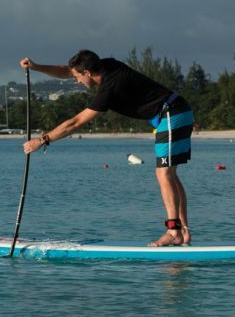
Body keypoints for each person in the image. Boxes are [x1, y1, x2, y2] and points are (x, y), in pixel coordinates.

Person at [20, 50, 194, 246]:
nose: (76, 81)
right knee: (170, 174)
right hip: (176, 112)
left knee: (164, 174)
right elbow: (65, 71)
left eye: (78, 77)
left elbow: (75, 123)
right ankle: (183, 231)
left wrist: (43, 140)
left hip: (171, 115)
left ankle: (173, 232)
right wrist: (36, 67)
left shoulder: (109, 88)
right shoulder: (107, 65)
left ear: (87, 72)